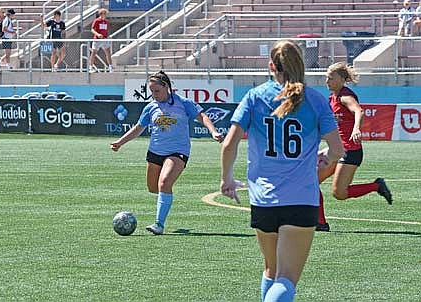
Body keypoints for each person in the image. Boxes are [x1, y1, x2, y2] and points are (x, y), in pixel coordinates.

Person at [220, 40, 344, 302]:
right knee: (286, 278)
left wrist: (227, 179)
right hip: (301, 199)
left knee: (271, 269)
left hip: (263, 200)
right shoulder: (316, 100)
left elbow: (229, 143)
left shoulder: (255, 96)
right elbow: (337, 149)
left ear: (271, 66)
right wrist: (325, 156)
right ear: (301, 65)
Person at [111, 70, 224, 235]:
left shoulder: (183, 103)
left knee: (164, 183)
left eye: (157, 91)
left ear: (167, 87)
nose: (154, 95)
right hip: (155, 152)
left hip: (178, 151)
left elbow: (203, 117)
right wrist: (120, 142)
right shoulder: (150, 108)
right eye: (151, 91)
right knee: (153, 188)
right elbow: (138, 129)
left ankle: (159, 224)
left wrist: (213, 132)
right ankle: (166, 197)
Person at [316, 62, 392, 231]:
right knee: (311, 183)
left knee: (339, 193)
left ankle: (376, 186)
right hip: (336, 150)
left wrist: (357, 128)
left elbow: (359, 111)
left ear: (342, 79)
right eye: (326, 77)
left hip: (350, 151)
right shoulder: (332, 98)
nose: (327, 81)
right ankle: (320, 223)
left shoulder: (345, 96)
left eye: (331, 78)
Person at [90, 8, 113, 73]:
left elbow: (106, 30)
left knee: (108, 53)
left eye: (105, 14)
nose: (105, 15)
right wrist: (98, 34)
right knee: (93, 53)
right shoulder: (96, 21)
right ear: (101, 14)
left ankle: (110, 67)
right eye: (104, 13)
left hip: (105, 39)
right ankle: (91, 67)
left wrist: (107, 36)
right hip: (97, 40)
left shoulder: (106, 22)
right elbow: (92, 29)